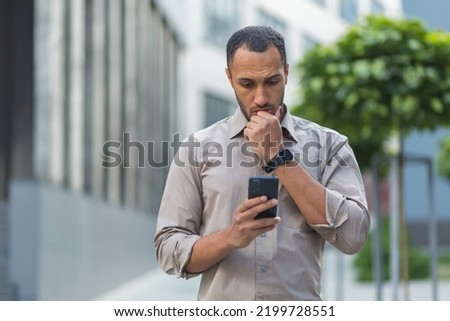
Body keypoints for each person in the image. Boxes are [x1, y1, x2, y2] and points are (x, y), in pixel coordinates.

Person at [154, 25, 370, 300]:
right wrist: (231, 236)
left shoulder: (330, 145)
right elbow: (168, 249)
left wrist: (279, 157)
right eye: (247, 84)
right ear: (229, 78)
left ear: (287, 73)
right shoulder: (196, 148)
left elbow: (354, 237)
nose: (261, 98)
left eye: (271, 81)